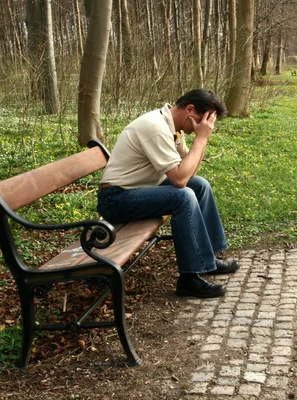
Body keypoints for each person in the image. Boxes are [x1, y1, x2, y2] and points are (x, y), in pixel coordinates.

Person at [97, 89, 239, 298]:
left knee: (199, 185)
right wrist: (201, 138)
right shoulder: (155, 128)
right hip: (116, 199)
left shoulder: (173, 127)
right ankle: (189, 279)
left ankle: (208, 258)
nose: (205, 126)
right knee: (184, 196)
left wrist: (202, 139)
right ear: (190, 110)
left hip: (139, 189)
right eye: (203, 120)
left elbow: (190, 172)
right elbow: (180, 180)